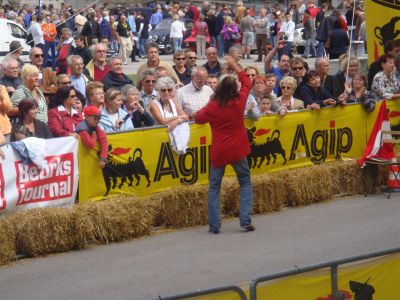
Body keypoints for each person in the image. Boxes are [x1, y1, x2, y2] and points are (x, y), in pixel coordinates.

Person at [195, 56, 255, 234]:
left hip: (220, 151)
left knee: (214, 187)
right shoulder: (239, 101)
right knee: (245, 183)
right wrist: (235, 65)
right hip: (238, 149)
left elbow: (198, 118)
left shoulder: (213, 106)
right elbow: (246, 82)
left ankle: (214, 225)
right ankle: (245, 219)